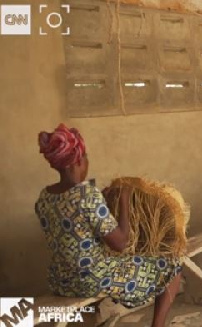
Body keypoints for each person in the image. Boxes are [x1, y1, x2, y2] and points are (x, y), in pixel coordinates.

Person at [36, 124, 181, 327]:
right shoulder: (87, 195)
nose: (87, 163)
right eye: (85, 158)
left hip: (60, 280)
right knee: (171, 266)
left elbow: (75, 230)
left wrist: (101, 205)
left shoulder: (44, 197)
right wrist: (123, 201)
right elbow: (120, 243)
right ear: (76, 162)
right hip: (91, 279)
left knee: (121, 263)